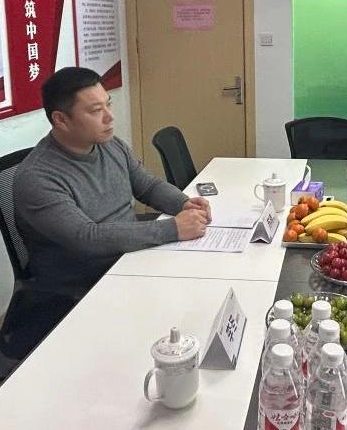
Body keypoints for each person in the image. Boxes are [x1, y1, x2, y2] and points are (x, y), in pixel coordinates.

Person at [13, 67, 211, 299]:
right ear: (61, 120)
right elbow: (87, 238)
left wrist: (183, 203)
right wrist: (173, 228)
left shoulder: (110, 144)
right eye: (96, 110)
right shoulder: (37, 177)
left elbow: (147, 185)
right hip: (84, 281)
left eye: (108, 104)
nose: (109, 116)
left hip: (130, 255)